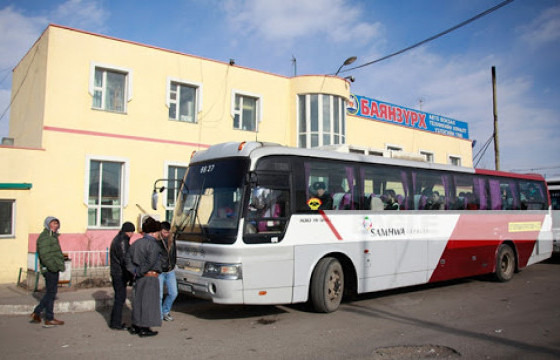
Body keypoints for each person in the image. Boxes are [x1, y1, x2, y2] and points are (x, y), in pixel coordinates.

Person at [126, 217, 163, 337]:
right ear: (154, 232)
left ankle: (136, 325)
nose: (159, 234)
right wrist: (141, 271)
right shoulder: (153, 245)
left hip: (139, 276)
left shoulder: (136, 243)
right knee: (149, 303)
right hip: (150, 276)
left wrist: (135, 271)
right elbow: (150, 262)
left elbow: (127, 260)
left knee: (138, 302)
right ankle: (144, 328)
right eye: (158, 232)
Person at [30, 216, 66, 327]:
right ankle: (44, 315)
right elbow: (45, 255)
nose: (56, 225)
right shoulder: (45, 237)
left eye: (56, 223)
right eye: (53, 223)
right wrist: (53, 267)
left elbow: (54, 252)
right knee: (51, 293)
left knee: (51, 293)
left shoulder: (52, 236)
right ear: (48, 224)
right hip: (50, 269)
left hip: (53, 268)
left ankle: (44, 315)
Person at [108, 221, 135, 330]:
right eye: (132, 232)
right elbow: (125, 260)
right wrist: (131, 275)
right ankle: (116, 323)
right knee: (120, 298)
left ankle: (115, 321)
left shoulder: (118, 238)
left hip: (116, 273)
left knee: (119, 298)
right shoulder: (122, 241)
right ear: (129, 232)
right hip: (119, 274)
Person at [158, 221, 178, 322]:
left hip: (170, 270)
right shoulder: (156, 240)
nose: (166, 234)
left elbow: (174, 252)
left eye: (167, 232)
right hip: (160, 271)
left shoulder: (171, 238)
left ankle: (165, 311)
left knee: (173, 293)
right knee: (159, 295)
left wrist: (174, 264)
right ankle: (159, 315)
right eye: (164, 232)